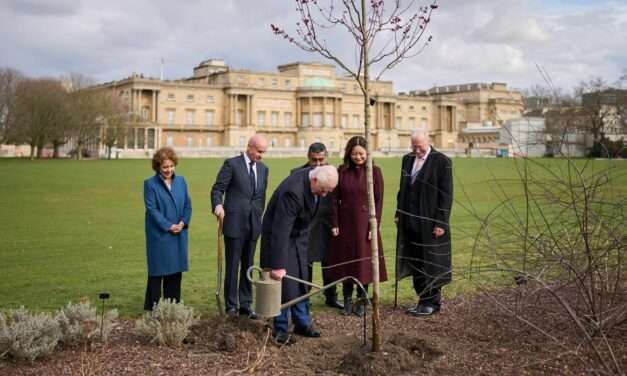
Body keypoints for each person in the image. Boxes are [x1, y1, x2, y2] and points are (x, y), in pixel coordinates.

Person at [260, 165, 339, 345]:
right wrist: (278, 265)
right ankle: (280, 329)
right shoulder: (292, 192)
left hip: (299, 238)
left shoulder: (315, 181)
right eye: (323, 191)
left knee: (300, 280)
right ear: (314, 181)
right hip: (282, 240)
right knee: (285, 285)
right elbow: (280, 230)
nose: (324, 195)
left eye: (328, 192)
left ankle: (302, 323)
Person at [328, 136, 387, 317]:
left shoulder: (374, 172)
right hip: (345, 222)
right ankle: (347, 299)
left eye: (361, 154)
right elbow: (333, 200)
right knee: (346, 261)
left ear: (367, 154)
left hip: (364, 222)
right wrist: (335, 223)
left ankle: (361, 300)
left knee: (363, 262)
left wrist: (373, 226)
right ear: (349, 154)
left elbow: (378, 201)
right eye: (354, 154)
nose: (358, 157)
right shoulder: (342, 171)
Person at [395, 130, 453, 317]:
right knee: (415, 260)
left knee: (431, 262)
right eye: (413, 146)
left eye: (419, 145)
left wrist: (441, 223)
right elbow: (402, 189)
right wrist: (398, 213)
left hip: (430, 222)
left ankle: (432, 302)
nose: (416, 149)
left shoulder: (442, 162)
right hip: (410, 220)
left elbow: (446, 196)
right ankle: (422, 299)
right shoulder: (407, 160)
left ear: (428, 141)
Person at [211, 134, 269, 318]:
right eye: (259, 151)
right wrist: (218, 205)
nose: (261, 155)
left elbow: (260, 197)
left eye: (264, 152)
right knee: (233, 265)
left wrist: (258, 214)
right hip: (234, 223)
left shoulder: (264, 169)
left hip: (253, 225)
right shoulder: (232, 164)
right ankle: (231, 306)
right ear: (250, 147)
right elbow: (217, 189)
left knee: (248, 265)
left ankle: (245, 304)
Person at [290, 143, 343, 310]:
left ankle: (331, 296)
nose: (318, 164)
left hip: (328, 224)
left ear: (326, 157)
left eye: (321, 160)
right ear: (308, 157)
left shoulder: (334, 172)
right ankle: (305, 296)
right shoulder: (297, 173)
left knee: (330, 262)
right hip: (307, 223)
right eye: (314, 160)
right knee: (305, 263)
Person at [143, 147, 192, 310]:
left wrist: (183, 223)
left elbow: (187, 205)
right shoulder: (150, 184)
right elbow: (152, 209)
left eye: (171, 166)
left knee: (175, 272)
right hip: (160, 234)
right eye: (165, 167)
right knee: (157, 273)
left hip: (178, 233)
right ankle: (153, 308)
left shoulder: (181, 181)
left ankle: (173, 307)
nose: (168, 170)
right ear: (158, 167)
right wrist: (168, 226)